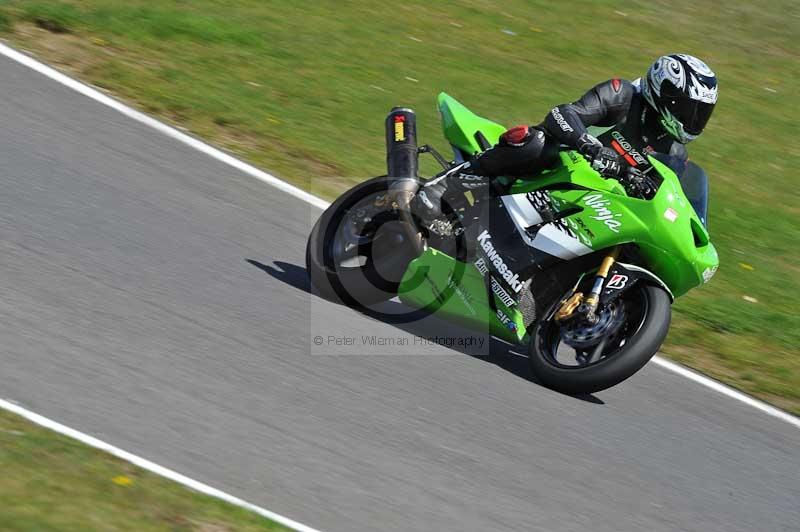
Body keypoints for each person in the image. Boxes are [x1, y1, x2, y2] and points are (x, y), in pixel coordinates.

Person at [412, 53, 718, 219]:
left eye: (700, 113)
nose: (692, 119)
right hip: (556, 163)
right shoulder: (622, 94)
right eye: (688, 109)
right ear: (663, 93)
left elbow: (666, 193)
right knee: (536, 142)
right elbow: (562, 115)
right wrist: (591, 147)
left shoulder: (674, 153)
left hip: (597, 198)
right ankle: (445, 185)